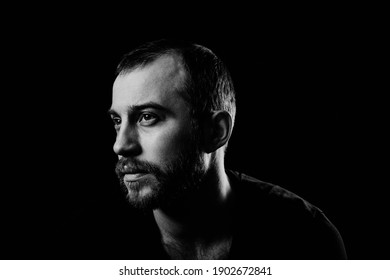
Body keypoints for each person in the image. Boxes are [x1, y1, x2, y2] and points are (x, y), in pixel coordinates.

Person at [106, 39, 347, 260]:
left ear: (215, 132)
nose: (121, 145)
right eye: (117, 121)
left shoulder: (304, 238)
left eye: (147, 117)